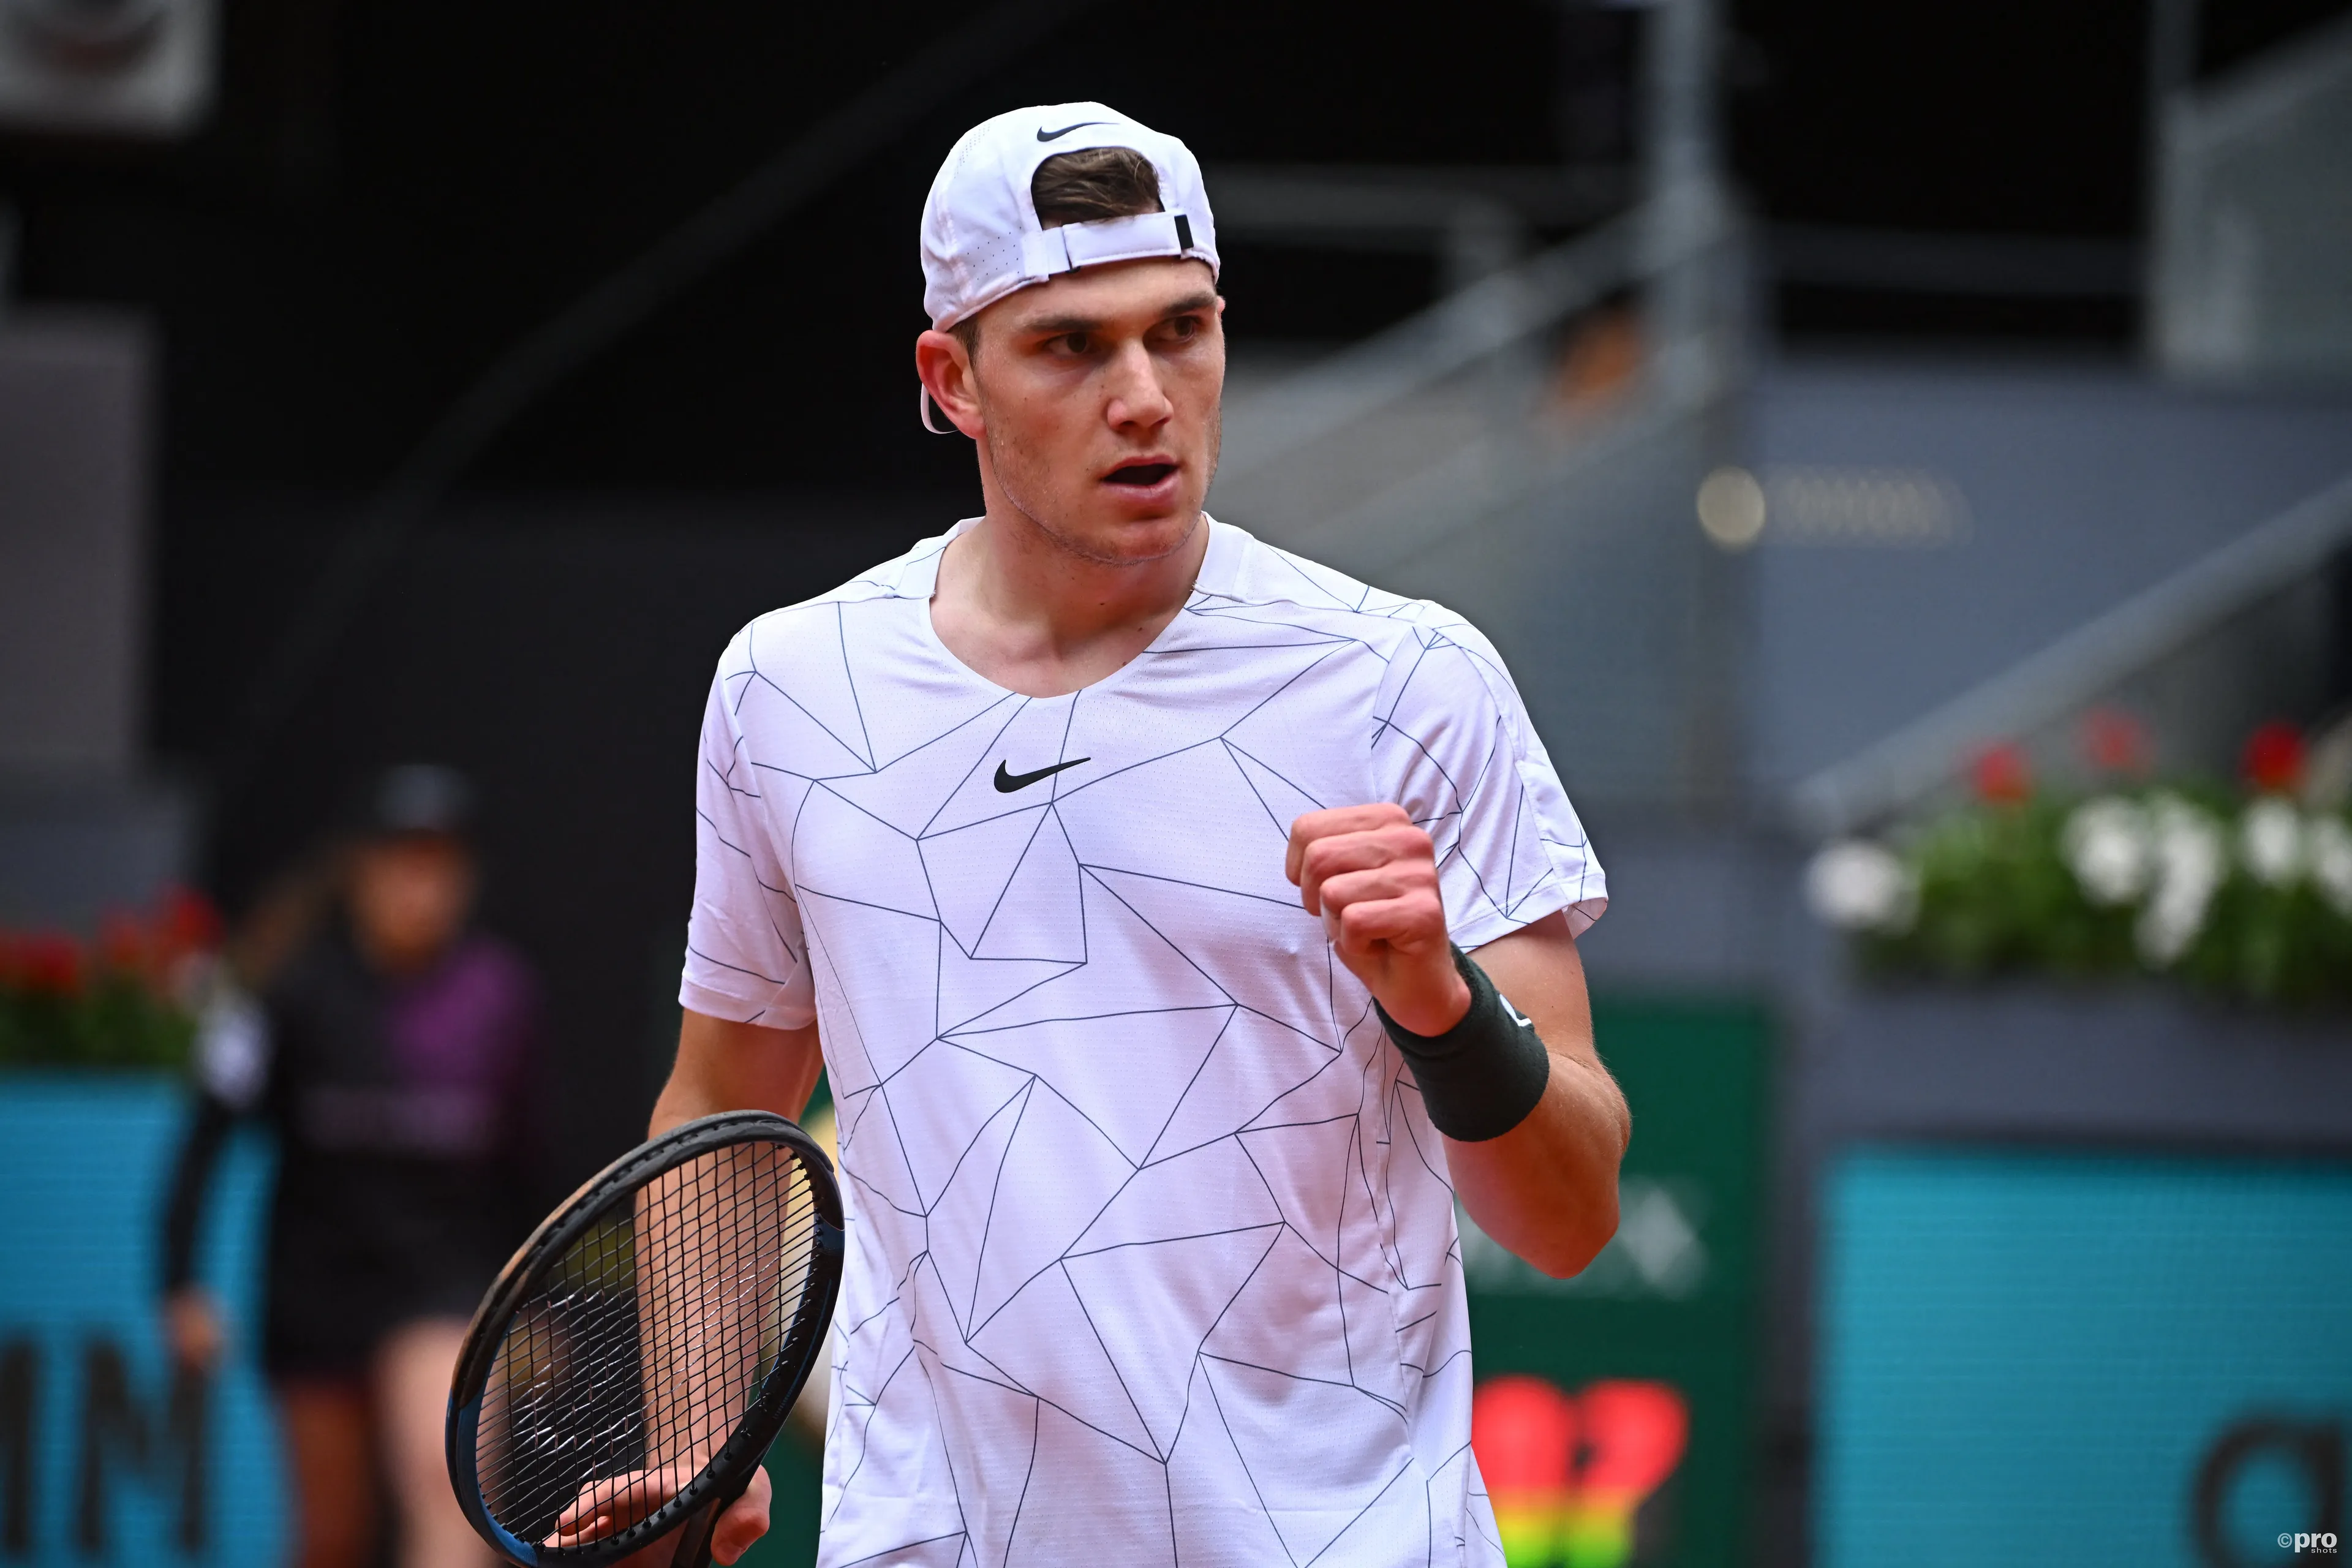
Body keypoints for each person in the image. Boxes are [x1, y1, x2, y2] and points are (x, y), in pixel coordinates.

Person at [636, 103, 1627, 1567]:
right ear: (952, 381)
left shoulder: (1409, 678)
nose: (1148, 395)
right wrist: (692, 1440)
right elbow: (727, 1113)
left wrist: (1440, 1000)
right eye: (1072, 346)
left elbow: (1574, 1215)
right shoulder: (788, 690)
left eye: (1182, 330)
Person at [160, 764, 542, 1568]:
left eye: (440, 865)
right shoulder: (287, 989)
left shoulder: (501, 997)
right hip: (316, 1290)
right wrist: (180, 1282)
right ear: (360, 871)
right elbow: (205, 1137)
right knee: (332, 1536)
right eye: (402, 862)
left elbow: (532, 1161)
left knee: (448, 1492)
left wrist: (536, 1303)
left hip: (441, 1288)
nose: (420, 887)